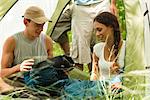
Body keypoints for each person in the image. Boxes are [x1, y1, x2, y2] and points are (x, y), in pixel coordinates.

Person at [0, 6, 53, 86]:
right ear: (25, 22)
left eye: (43, 25)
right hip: (19, 84)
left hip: (42, 82)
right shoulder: (12, 42)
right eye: (38, 25)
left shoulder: (47, 41)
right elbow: (2, 73)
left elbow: (51, 66)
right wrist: (18, 68)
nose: (41, 29)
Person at [70, 0, 118, 72]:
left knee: (107, 39)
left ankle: (105, 75)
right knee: (80, 45)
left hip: (102, 3)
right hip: (80, 6)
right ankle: (80, 80)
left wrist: (113, 3)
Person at [90, 12, 125, 89]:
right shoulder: (97, 48)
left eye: (99, 30)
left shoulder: (125, 47)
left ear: (111, 27)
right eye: (95, 31)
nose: (97, 34)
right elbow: (94, 73)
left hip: (119, 88)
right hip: (101, 88)